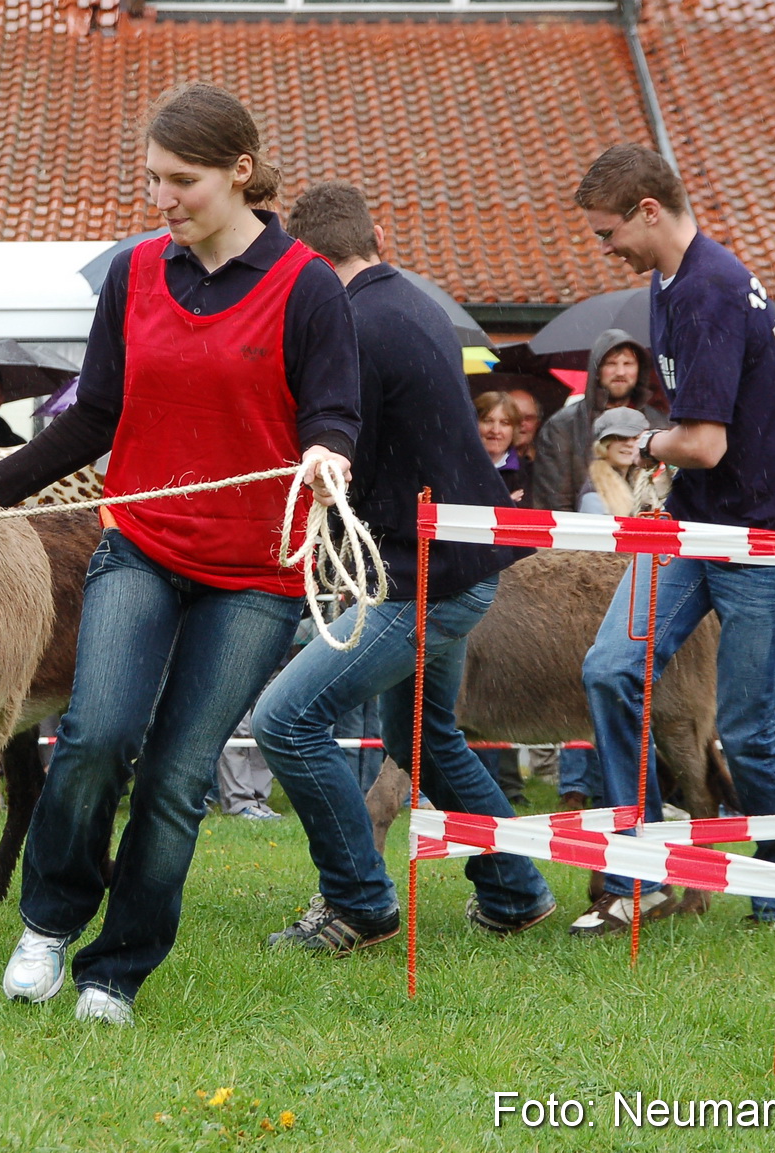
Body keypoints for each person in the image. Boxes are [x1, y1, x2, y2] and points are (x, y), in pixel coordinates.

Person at [0, 84, 360, 1024]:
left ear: (240, 172)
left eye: (182, 180)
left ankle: (116, 970)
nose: (162, 197)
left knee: (174, 779)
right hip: (142, 546)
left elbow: (333, 411)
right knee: (95, 736)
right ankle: (47, 922)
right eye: (153, 178)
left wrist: (328, 454)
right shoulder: (136, 274)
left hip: (254, 576)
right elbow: (96, 414)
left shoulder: (308, 286)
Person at [250, 180, 552, 950]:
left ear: (308, 264)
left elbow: (335, 455)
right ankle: (515, 891)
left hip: (424, 580)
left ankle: (358, 901)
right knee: (426, 739)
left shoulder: (351, 326)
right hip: (453, 566)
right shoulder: (416, 302)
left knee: (285, 720)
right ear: (376, 236)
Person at [571, 143, 775, 934]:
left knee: (749, 728)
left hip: (763, 536)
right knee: (610, 668)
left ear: (649, 210)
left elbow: (705, 443)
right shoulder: (665, 281)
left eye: (609, 232)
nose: (605, 247)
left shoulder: (710, 290)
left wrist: (644, 445)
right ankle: (640, 868)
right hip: (697, 523)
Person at [530, 330, 666, 511]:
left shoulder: (659, 423)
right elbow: (554, 502)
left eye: (628, 363)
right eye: (611, 363)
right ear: (597, 370)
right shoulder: (562, 426)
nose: (620, 372)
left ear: (639, 369)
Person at [576, 406, 668, 516]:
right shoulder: (594, 494)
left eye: (636, 438)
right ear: (605, 444)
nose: (629, 444)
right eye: (620, 437)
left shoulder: (642, 482)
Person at [474, 391, 527, 503]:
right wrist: (504, 502)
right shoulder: (458, 468)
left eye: (504, 423)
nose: (495, 430)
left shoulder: (527, 472)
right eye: (488, 421)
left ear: (514, 429)